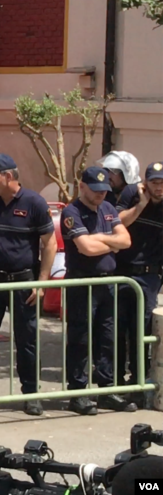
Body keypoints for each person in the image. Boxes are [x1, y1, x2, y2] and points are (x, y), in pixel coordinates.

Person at [0, 154, 56, 416]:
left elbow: (49, 243)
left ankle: (31, 393)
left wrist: (41, 283)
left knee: (27, 339)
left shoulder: (34, 203)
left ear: (8, 176)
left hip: (23, 281)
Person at [60, 166, 135, 415]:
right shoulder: (72, 212)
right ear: (82, 187)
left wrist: (99, 239)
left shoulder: (108, 208)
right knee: (81, 339)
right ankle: (78, 392)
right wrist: (109, 241)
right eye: (95, 190)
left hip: (107, 282)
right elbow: (86, 249)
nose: (101, 195)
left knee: (108, 338)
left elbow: (125, 241)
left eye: (104, 190)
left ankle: (106, 389)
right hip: (82, 283)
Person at [115, 162, 163, 407]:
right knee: (117, 329)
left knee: (142, 331)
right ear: (145, 183)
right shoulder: (132, 194)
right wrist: (141, 204)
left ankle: (139, 382)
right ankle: (116, 383)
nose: (159, 187)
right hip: (123, 273)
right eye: (155, 182)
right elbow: (118, 223)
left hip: (149, 276)